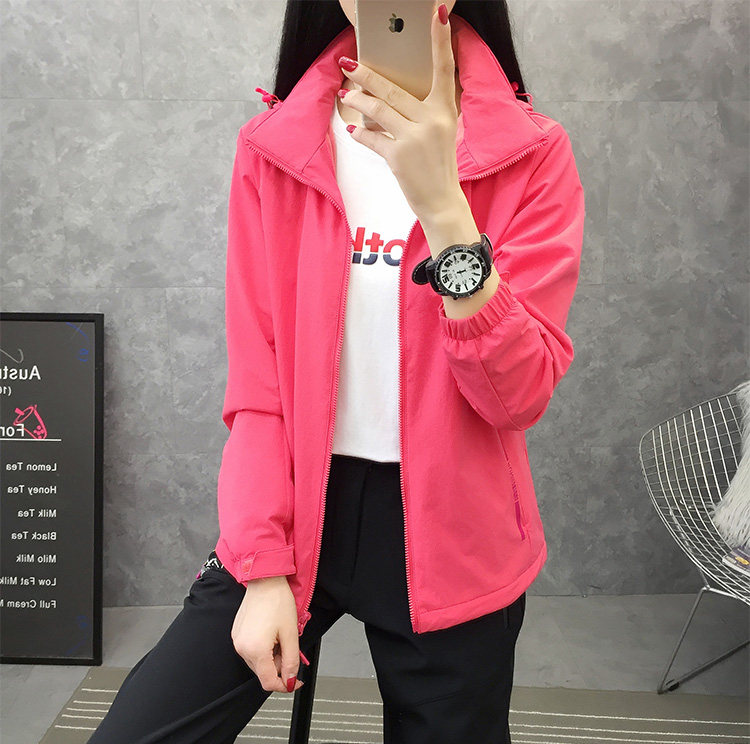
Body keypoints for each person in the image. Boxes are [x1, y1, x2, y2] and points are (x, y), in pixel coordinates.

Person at [87, 1, 585, 742]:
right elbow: (259, 385)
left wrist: (443, 205)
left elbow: (517, 396)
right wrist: (262, 568)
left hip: (457, 531)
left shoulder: (532, 152)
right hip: (292, 506)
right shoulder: (276, 146)